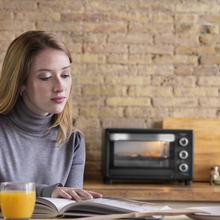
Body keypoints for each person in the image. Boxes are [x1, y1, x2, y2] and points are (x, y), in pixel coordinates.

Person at [0, 31, 102, 201]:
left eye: (65, 75)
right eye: (45, 77)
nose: (60, 87)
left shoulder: (73, 140)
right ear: (20, 84)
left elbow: (70, 207)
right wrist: (45, 191)